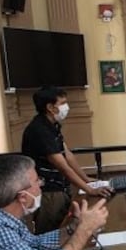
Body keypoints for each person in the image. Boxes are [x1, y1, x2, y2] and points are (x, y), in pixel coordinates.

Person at [22, 86, 111, 234]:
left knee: (63, 227)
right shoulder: (39, 130)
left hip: (60, 188)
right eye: (62, 103)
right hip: (49, 193)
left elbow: (67, 154)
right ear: (50, 107)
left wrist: (87, 179)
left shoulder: (52, 125)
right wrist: (90, 189)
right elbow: (63, 166)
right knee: (50, 233)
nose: (66, 107)